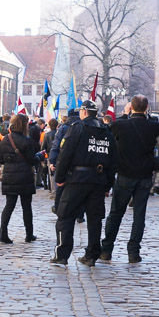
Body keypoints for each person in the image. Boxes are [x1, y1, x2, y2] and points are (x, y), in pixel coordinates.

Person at [52, 100, 117, 266]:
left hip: (77, 179)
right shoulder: (107, 132)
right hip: (98, 180)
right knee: (94, 220)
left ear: (84, 112)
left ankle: (62, 254)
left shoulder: (78, 128)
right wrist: (108, 184)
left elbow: (65, 154)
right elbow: (113, 160)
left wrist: (59, 177)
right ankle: (91, 254)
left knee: (65, 216)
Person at [100, 95, 159, 263]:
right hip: (145, 174)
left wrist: (126, 114)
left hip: (125, 173)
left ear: (130, 107)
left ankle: (106, 249)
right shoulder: (154, 126)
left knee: (116, 213)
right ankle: (134, 252)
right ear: (147, 107)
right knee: (139, 215)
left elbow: (112, 128)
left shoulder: (121, 124)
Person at [0, 113, 40, 244]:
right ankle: (29, 234)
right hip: (24, 177)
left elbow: (0, 160)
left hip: (9, 176)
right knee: (26, 207)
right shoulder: (26, 141)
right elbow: (32, 160)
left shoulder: (5, 140)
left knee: (9, 206)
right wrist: (40, 157)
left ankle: (2, 233)